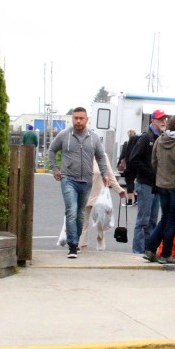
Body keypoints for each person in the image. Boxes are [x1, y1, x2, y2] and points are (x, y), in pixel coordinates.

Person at [47, 107, 112, 258]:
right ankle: (72, 245)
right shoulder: (64, 135)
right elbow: (51, 150)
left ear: (87, 119)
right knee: (71, 210)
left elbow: (101, 157)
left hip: (86, 180)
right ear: (72, 119)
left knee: (80, 214)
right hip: (68, 178)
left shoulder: (93, 138)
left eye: (81, 118)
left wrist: (104, 174)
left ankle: (75, 240)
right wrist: (55, 168)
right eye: (75, 118)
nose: (78, 121)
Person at [146, 114, 175, 264]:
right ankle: (166, 254)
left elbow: (153, 162)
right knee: (173, 220)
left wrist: (161, 175)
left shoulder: (160, 139)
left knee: (165, 217)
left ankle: (150, 248)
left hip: (161, 184)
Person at [127, 110, 167, 255]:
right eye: (160, 119)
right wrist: (150, 173)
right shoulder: (146, 137)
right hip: (145, 184)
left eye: (164, 119)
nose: (163, 121)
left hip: (157, 186)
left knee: (153, 221)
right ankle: (138, 251)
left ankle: (148, 251)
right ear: (152, 120)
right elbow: (134, 159)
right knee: (143, 221)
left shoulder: (162, 138)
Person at [82, 150, 125, 251]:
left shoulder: (102, 156)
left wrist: (119, 190)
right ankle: (83, 244)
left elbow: (110, 175)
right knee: (84, 221)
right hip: (85, 192)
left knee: (101, 220)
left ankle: (100, 237)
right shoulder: (82, 154)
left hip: (100, 195)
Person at [117, 129, 138, 206]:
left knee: (129, 182)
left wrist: (119, 163)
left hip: (128, 166)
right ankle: (136, 199)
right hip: (135, 166)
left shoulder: (126, 143)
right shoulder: (138, 144)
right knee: (133, 182)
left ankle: (129, 201)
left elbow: (123, 154)